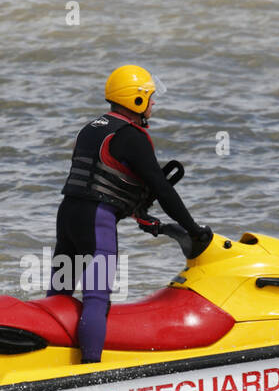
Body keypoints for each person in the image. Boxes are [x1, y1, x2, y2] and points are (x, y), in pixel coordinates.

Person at [48, 64, 212, 363]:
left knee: (59, 293)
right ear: (135, 100)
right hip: (97, 220)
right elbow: (163, 189)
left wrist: (137, 212)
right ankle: (90, 372)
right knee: (97, 299)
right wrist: (192, 228)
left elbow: (101, 177)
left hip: (67, 215)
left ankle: (45, 355)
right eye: (150, 96)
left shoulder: (91, 128)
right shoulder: (132, 136)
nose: (153, 103)